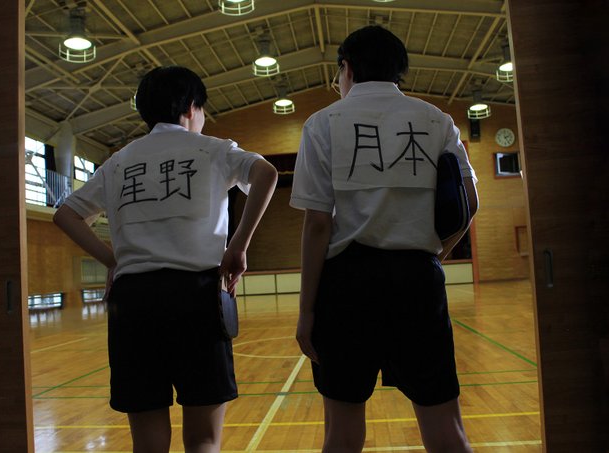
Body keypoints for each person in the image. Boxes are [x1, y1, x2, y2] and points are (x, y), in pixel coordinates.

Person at [53, 66, 277, 453]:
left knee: (147, 442)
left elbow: (66, 214)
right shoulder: (214, 149)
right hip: (197, 296)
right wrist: (238, 245)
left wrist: (114, 261)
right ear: (190, 107)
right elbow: (266, 173)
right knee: (203, 438)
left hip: (133, 301)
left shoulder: (119, 161)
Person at [290, 25, 478, 453]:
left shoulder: (322, 123)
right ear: (398, 70)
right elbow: (470, 202)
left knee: (342, 433)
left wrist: (306, 311)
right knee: (446, 428)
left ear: (347, 68)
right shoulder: (437, 120)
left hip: (347, 286)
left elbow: (318, 223)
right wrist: (435, 257)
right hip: (417, 280)